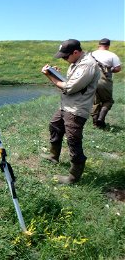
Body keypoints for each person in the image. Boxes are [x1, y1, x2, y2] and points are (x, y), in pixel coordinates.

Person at [41, 39, 100, 184]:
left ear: (76, 52)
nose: (64, 59)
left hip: (76, 109)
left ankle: (73, 177)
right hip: (66, 105)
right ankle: (54, 156)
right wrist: (56, 74)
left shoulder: (87, 65)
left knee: (73, 140)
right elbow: (72, 83)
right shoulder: (76, 62)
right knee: (54, 126)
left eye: (65, 56)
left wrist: (50, 76)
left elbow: (69, 88)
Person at [90, 38, 122, 128]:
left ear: (98, 45)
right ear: (108, 46)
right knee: (108, 101)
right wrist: (110, 70)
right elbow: (118, 68)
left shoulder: (91, 54)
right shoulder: (112, 55)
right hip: (104, 80)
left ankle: (96, 124)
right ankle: (101, 118)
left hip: (91, 81)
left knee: (95, 102)